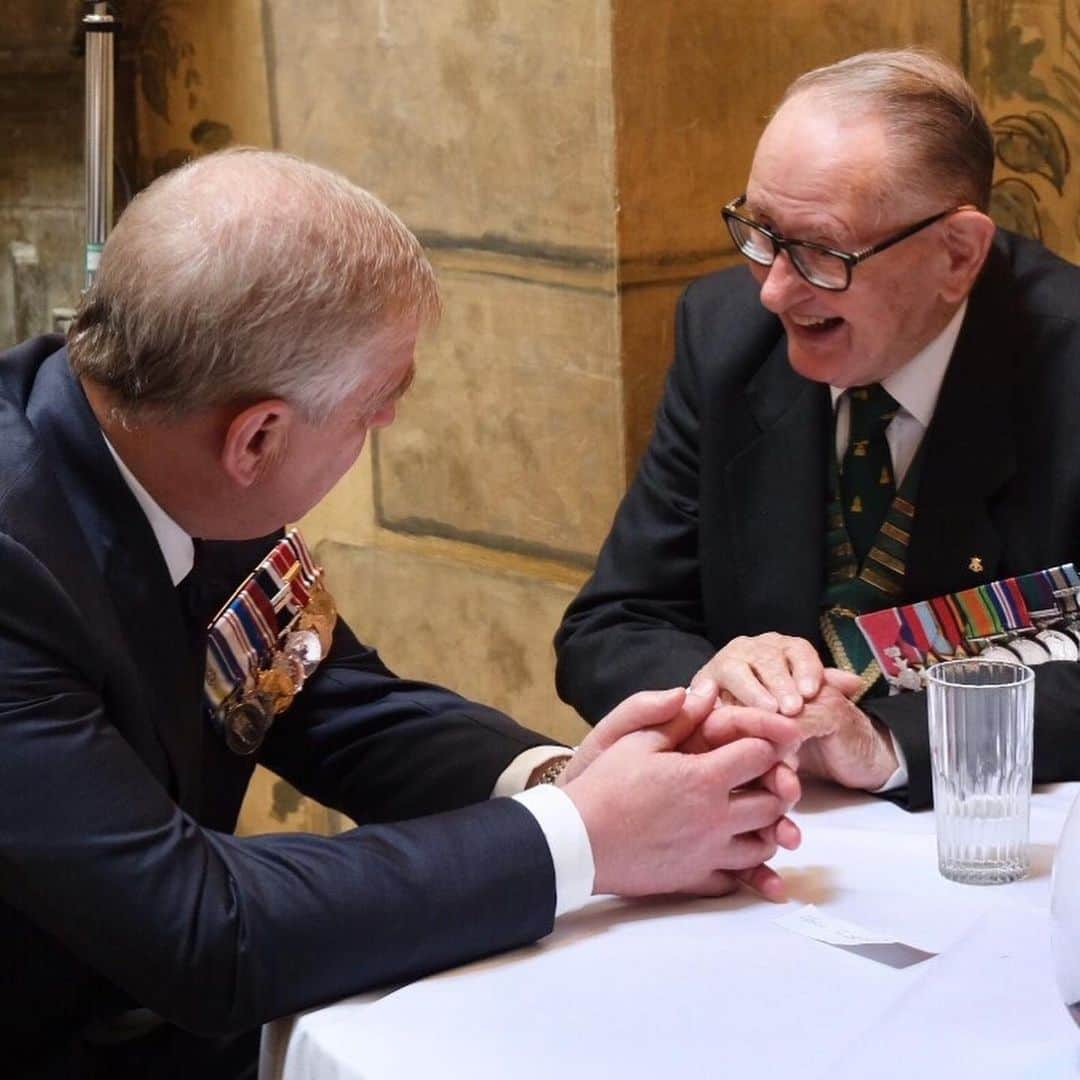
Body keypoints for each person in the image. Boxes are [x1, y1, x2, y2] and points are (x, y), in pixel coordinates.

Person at [0, 149, 805, 1079]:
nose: (383, 428)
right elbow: (199, 927)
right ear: (257, 438)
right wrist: (585, 838)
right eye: (378, 405)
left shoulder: (172, 446)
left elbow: (326, 696)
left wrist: (565, 777)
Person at [555, 48, 1080, 811]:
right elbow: (610, 625)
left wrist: (889, 741)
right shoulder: (727, 335)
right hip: (779, 845)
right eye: (760, 231)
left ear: (956, 254)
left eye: (821, 253)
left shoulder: (1066, 365)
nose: (773, 289)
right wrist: (720, 680)